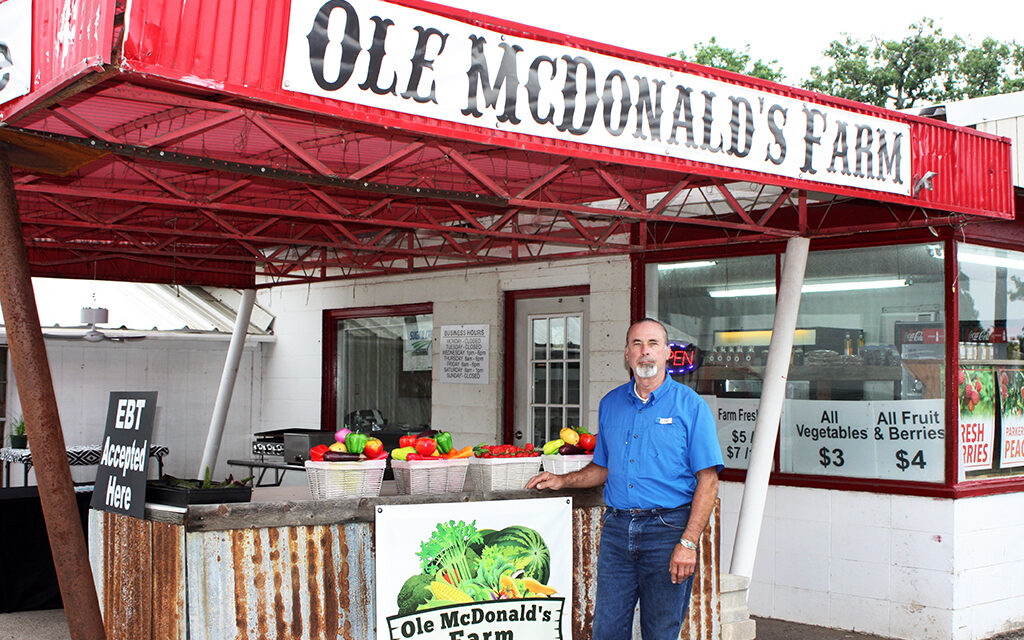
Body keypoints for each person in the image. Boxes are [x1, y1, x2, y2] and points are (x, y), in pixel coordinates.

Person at [526, 318, 723, 640]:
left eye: (653, 344)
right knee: (607, 630)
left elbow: (708, 480)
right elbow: (603, 468)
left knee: (660, 631)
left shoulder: (691, 406)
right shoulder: (611, 404)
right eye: (637, 344)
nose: (645, 352)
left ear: (667, 354)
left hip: (668, 530)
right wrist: (563, 480)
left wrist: (687, 543)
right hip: (617, 531)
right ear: (627, 355)